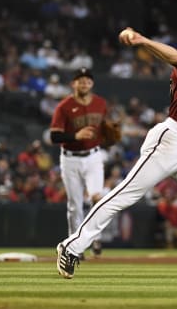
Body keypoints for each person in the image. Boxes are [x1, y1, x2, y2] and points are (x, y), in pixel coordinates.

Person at [56, 10, 177, 281]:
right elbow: (175, 57)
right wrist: (142, 41)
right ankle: (71, 246)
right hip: (169, 140)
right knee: (124, 195)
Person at [50, 67, 110, 259]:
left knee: (96, 198)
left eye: (87, 80)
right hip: (70, 158)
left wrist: (110, 134)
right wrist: (75, 135)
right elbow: (54, 136)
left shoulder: (101, 103)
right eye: (80, 80)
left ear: (92, 84)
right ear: (73, 84)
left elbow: (104, 130)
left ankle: (96, 238)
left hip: (93, 156)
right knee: (75, 204)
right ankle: (75, 245)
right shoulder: (64, 106)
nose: (84, 83)